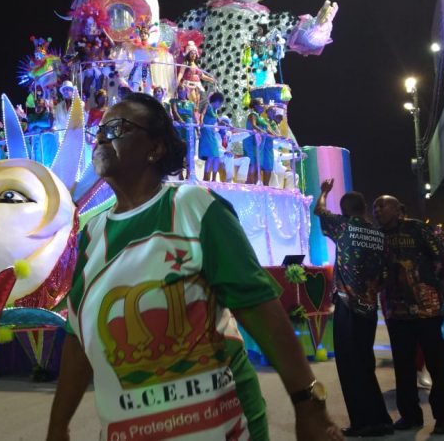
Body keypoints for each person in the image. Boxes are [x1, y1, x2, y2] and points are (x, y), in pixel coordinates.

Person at [47, 92, 342, 441]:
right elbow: (79, 342)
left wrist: (309, 405)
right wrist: (57, 426)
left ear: (154, 149)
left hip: (222, 428)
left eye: (116, 128)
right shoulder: (91, 236)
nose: (100, 138)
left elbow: (259, 309)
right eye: (100, 130)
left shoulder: (194, 207)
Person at [372, 196, 444, 435]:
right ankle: (410, 415)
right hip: (396, 313)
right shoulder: (377, 237)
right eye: (374, 207)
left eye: (382, 205)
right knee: (403, 366)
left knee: (438, 365)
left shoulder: (417, 228)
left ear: (399, 209)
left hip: (428, 309)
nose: (377, 210)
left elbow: (443, 256)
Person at [314, 179, 393, 437]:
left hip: (348, 306)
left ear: (346, 210)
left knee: (350, 366)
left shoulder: (343, 226)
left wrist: (324, 192)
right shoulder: (379, 234)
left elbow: (320, 211)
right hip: (369, 307)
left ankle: (364, 423)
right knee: (364, 363)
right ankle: (379, 419)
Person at [243, 98, 273, 185]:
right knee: (253, 163)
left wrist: (277, 136)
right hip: (251, 142)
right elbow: (253, 125)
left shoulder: (261, 118)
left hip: (259, 144)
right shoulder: (253, 114)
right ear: (256, 106)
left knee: (257, 164)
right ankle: (250, 183)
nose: (263, 105)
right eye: (261, 104)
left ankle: (255, 184)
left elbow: (268, 129)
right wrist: (261, 131)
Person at [198, 92, 225, 181]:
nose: (220, 105)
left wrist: (228, 126)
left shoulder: (215, 111)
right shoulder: (208, 106)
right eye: (220, 103)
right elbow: (202, 114)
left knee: (216, 156)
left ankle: (213, 179)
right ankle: (205, 177)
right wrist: (201, 122)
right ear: (216, 101)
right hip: (206, 131)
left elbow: (219, 121)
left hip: (212, 133)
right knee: (211, 155)